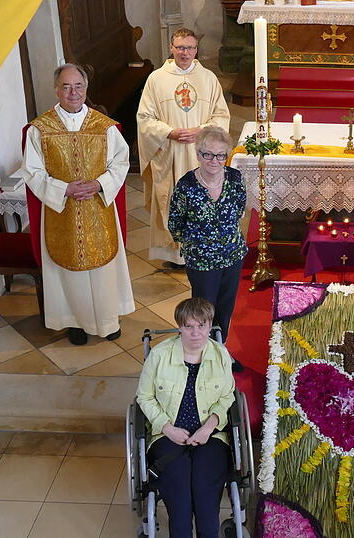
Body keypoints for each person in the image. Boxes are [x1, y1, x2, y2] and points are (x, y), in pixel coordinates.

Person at [21, 63, 135, 346]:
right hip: (62, 211)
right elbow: (32, 172)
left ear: (86, 89)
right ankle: (74, 322)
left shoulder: (104, 126)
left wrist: (99, 185)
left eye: (78, 86)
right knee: (67, 269)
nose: (73, 92)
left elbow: (121, 162)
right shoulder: (40, 129)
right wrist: (63, 189)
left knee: (103, 269)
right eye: (66, 86)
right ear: (56, 89)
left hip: (99, 207)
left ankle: (108, 320)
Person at [136, 297, 236, 538]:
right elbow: (144, 397)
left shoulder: (220, 355)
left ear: (210, 325)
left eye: (202, 325)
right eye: (189, 326)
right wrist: (168, 428)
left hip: (210, 436)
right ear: (179, 326)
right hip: (167, 435)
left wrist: (209, 427)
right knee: (179, 500)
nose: (196, 333)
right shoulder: (159, 356)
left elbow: (227, 398)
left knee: (205, 497)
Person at [137, 27, 231, 267]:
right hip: (169, 151)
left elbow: (221, 115)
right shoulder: (156, 79)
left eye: (189, 47)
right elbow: (144, 118)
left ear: (196, 49)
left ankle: (201, 249)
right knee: (171, 200)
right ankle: (174, 256)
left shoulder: (208, 78)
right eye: (180, 47)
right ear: (171, 48)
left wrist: (201, 130)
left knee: (203, 199)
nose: (185, 52)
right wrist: (169, 132)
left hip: (201, 153)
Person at [168, 125, 247, 346]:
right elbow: (175, 223)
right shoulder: (186, 186)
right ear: (198, 154)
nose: (214, 160)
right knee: (203, 312)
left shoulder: (235, 178)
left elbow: (240, 210)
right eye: (208, 154)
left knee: (225, 308)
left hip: (232, 255)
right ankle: (202, 353)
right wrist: (197, 243)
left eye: (221, 155)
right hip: (201, 261)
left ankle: (220, 350)